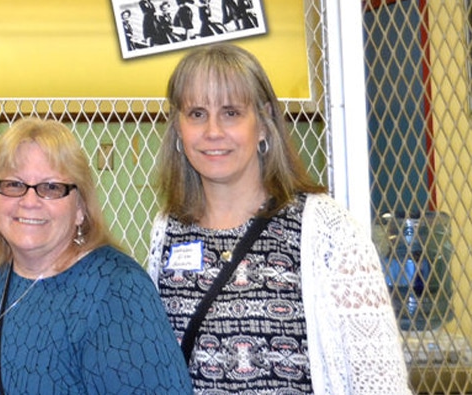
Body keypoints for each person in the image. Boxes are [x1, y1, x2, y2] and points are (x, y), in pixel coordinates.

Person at [148, 43, 411, 394]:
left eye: (230, 112)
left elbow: (380, 383)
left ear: (263, 123)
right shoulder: (169, 229)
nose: (213, 131)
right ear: (178, 127)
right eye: (197, 113)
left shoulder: (327, 231)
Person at [0, 117, 192, 394]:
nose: (29, 201)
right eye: (13, 184)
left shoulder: (117, 291)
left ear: (80, 209)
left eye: (51, 187)